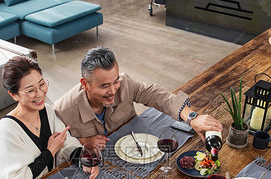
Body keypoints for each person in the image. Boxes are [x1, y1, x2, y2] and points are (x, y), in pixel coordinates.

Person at [0, 56, 98, 179]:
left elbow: (66, 141)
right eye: (30, 90)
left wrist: (83, 159)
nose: (40, 94)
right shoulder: (7, 129)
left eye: (41, 84)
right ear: (13, 95)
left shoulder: (46, 110)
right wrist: (50, 151)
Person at [54, 47, 223, 150]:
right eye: (104, 86)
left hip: (139, 151)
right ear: (85, 84)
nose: (113, 91)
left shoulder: (125, 83)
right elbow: (57, 149)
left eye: (115, 82)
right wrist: (82, 142)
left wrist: (192, 118)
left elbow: (156, 94)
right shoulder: (62, 111)